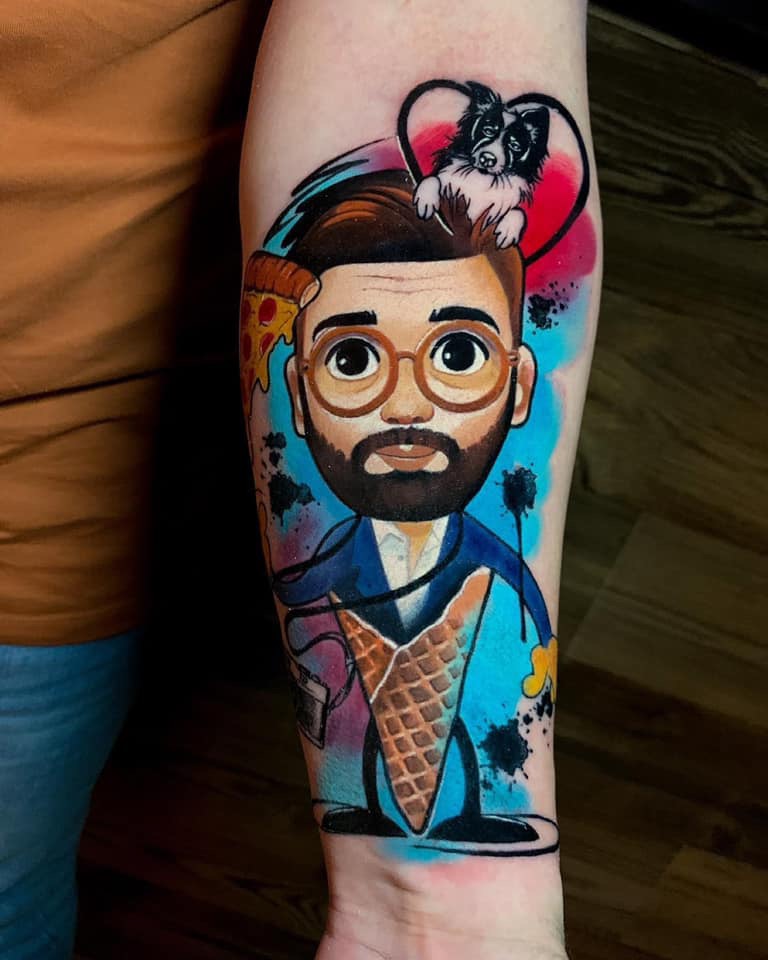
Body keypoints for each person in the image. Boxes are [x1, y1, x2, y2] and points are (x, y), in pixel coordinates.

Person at [240, 2, 600, 954]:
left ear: (517, 385)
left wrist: (440, 909)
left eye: (456, 353)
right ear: (300, 393)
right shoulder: (328, 567)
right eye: (355, 360)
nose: (406, 405)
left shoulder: (498, 575)